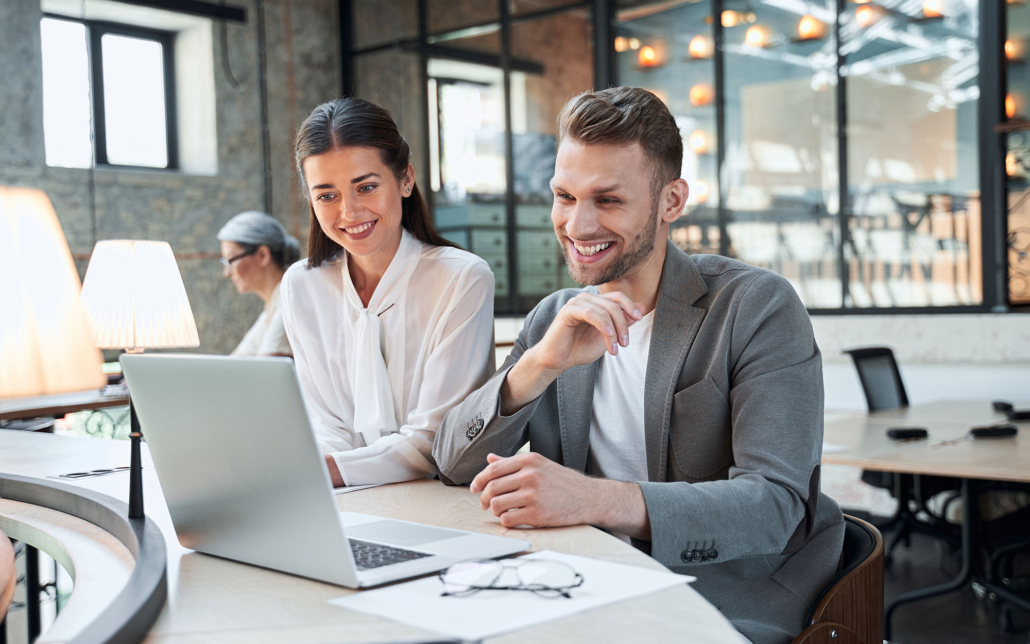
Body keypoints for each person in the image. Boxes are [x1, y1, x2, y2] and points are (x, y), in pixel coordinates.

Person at [432, 87, 844, 644]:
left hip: (725, 584)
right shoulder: (555, 318)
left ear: (671, 201)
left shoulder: (755, 306)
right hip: (584, 575)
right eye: (564, 196)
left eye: (608, 200)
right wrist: (538, 366)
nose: (577, 226)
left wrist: (591, 498)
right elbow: (453, 464)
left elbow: (775, 505)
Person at [280, 97, 495, 488]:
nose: (349, 212)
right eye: (326, 195)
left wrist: (327, 472)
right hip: (344, 497)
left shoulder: (462, 278)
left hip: (438, 498)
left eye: (366, 187)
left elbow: (434, 442)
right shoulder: (302, 285)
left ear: (406, 179)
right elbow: (324, 422)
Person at [217, 211, 301, 357]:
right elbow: (232, 364)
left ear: (263, 255)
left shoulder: (290, 305)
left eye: (230, 260)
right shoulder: (272, 308)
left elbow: (265, 374)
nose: (227, 272)